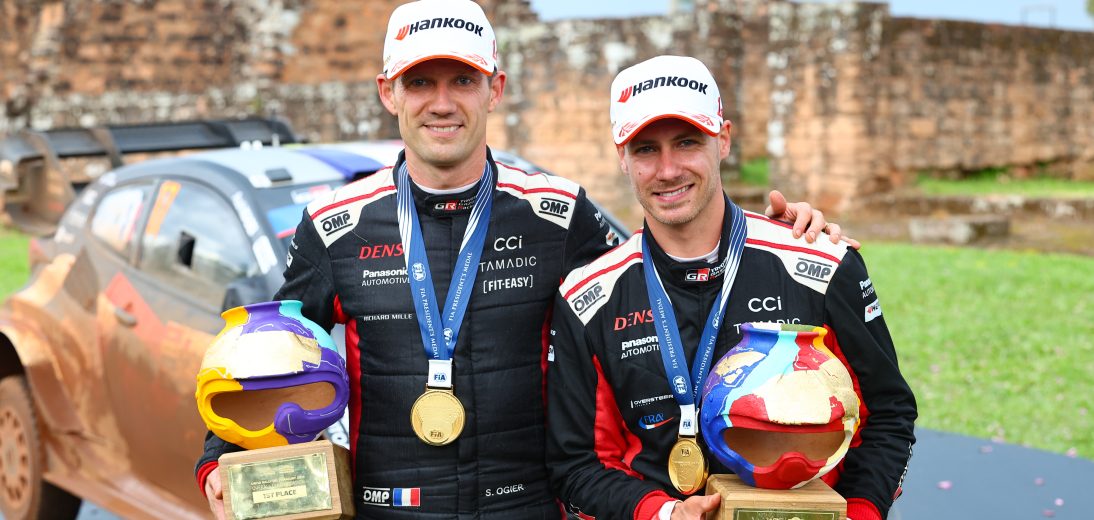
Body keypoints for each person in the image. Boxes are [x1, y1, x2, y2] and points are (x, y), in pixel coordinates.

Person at [195, 2, 845, 518]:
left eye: (463, 80)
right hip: (388, 507)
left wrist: (780, 238)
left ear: (495, 88)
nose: (442, 102)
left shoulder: (558, 213)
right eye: (420, 82)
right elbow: (273, 353)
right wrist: (218, 457)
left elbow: (663, 282)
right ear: (388, 92)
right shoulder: (336, 225)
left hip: (532, 506)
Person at [546, 55, 916, 520]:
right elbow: (576, 462)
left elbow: (887, 415)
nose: (667, 169)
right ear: (622, 157)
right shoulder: (588, 297)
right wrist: (662, 514)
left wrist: (858, 514)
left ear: (723, 140)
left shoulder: (820, 264)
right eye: (645, 149)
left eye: (687, 142)